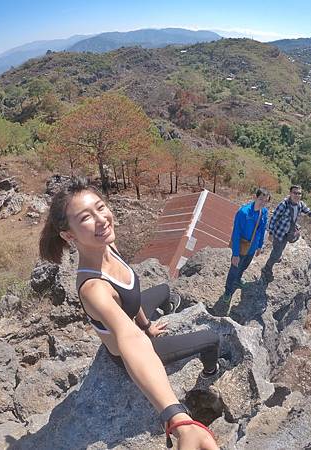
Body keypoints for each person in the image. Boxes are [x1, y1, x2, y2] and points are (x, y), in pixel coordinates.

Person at [39, 177, 219, 450]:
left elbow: (131, 304)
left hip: (132, 316)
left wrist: (147, 326)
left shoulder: (106, 245)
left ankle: (160, 313)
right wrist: (176, 417)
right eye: (86, 217)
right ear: (68, 235)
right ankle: (210, 371)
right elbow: (130, 340)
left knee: (163, 290)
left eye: (101, 207)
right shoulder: (94, 288)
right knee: (212, 338)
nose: (101, 219)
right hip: (124, 352)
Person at [261, 185, 311, 282]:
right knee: (276, 252)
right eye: (295, 193)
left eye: (299, 193)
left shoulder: (300, 205)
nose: (297, 195)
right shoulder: (283, 205)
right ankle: (267, 268)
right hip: (279, 233)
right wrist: (271, 233)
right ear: (290, 193)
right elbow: (273, 218)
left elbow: (310, 214)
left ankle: (276, 257)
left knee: (280, 249)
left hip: (288, 233)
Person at [220, 188, 270, 303]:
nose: (262, 202)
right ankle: (228, 291)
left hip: (252, 247)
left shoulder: (264, 212)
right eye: (261, 199)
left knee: (244, 266)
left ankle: (238, 280)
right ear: (255, 197)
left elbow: (262, 229)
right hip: (241, 247)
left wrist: (259, 246)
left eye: (265, 201)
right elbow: (236, 233)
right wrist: (235, 254)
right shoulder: (243, 212)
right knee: (234, 269)